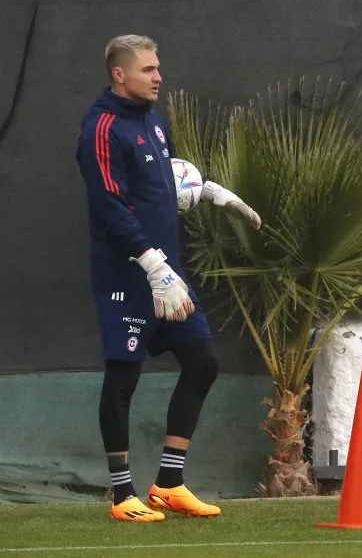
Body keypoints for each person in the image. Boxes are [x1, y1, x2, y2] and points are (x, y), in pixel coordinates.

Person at [76, 35, 262, 522]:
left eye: (158, 67)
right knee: (123, 378)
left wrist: (211, 191)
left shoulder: (154, 124)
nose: (158, 77)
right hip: (129, 273)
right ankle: (123, 495)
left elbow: (170, 180)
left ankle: (169, 483)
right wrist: (154, 267)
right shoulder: (102, 127)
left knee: (202, 364)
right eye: (148, 69)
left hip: (168, 274)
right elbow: (111, 206)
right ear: (119, 74)